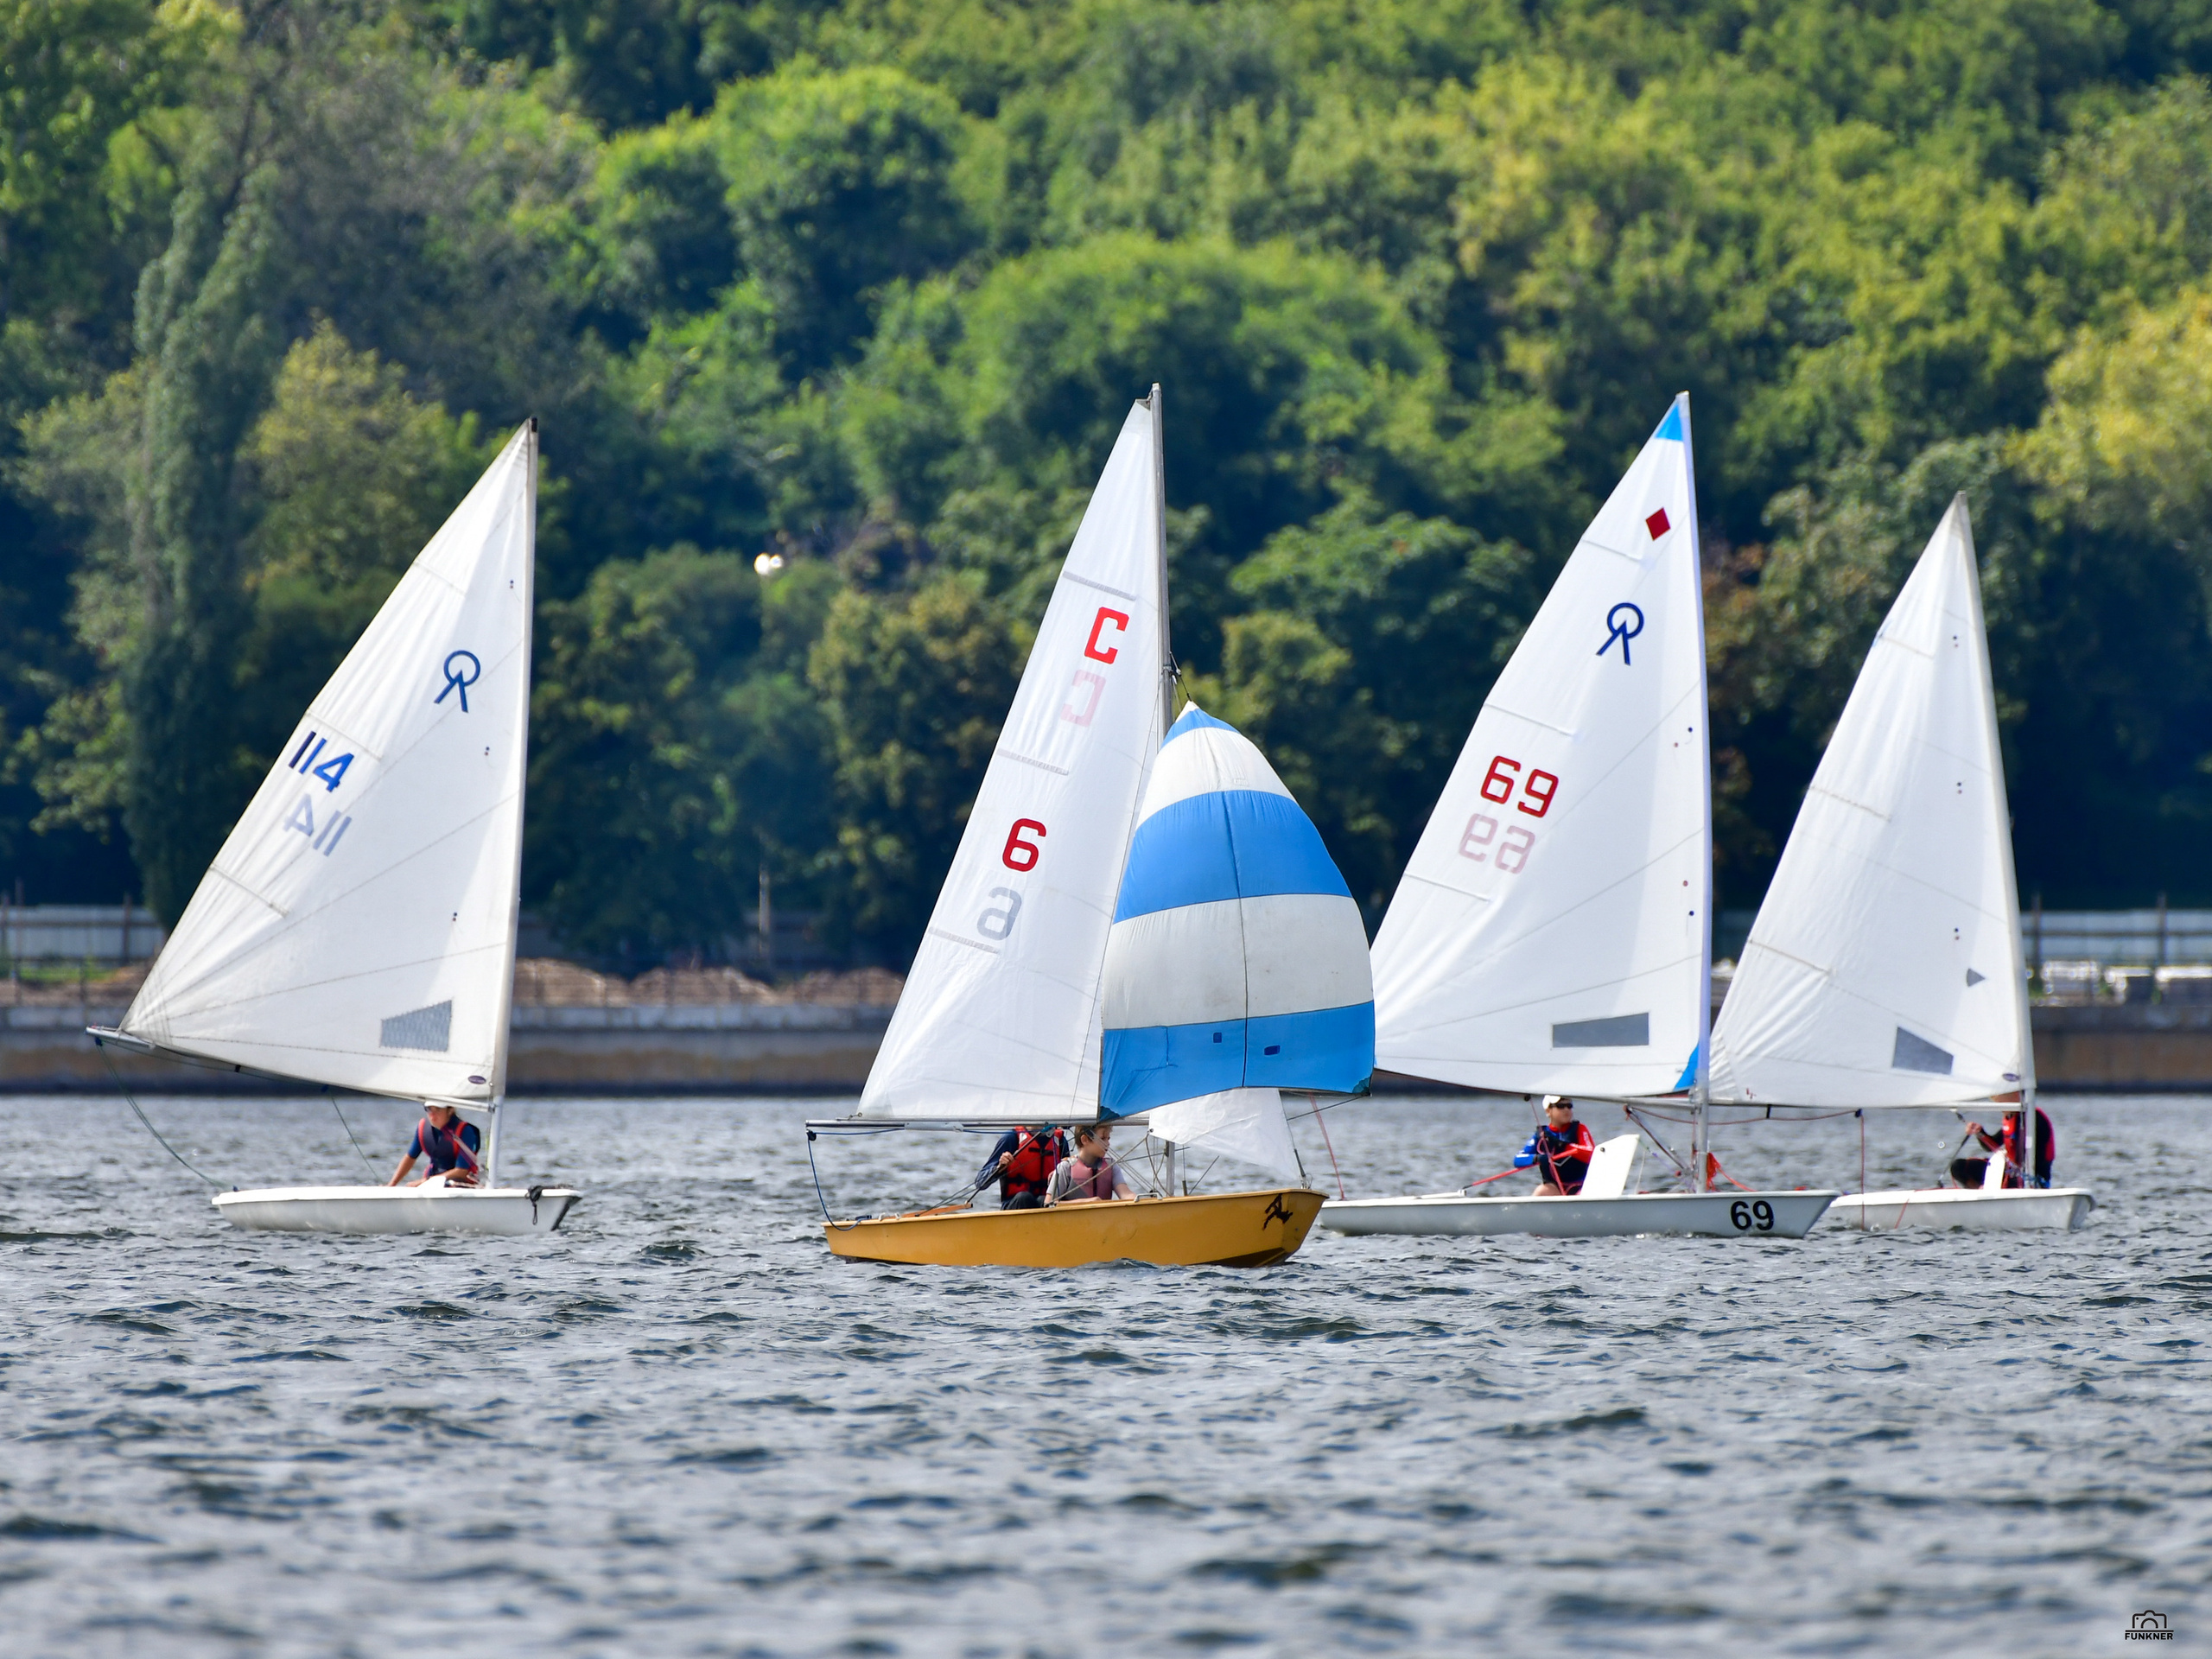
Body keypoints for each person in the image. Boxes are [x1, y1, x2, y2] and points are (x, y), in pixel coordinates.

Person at [1951, 1106, 2056, 1189]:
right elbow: (1993, 1145)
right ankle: (1979, 1193)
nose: (2002, 1112)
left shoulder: (2033, 1118)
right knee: (1958, 1167)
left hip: (2030, 1177)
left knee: (2014, 1180)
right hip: (2007, 1172)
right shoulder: (2012, 1118)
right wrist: (1980, 1132)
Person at [1516, 1096, 1595, 1196]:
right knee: (1542, 1191)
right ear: (1548, 1111)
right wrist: (1537, 1158)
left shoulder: (1580, 1129)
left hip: (1580, 1186)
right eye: (1560, 1106)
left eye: (1569, 1106)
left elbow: (1591, 1154)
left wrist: (1563, 1146)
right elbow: (1517, 1159)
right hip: (1555, 1189)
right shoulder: (1541, 1135)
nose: (1566, 1109)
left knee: (1584, 1194)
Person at [389, 1103, 481, 1187]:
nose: (432, 1115)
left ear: (450, 1110)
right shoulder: (424, 1128)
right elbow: (410, 1157)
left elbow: (461, 1171)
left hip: (459, 1185)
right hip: (431, 1181)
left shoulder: (466, 1132)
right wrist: (392, 1184)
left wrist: (424, 1182)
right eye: (429, 1109)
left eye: (438, 1109)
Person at [977, 1125, 1068, 1210]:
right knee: (1024, 1198)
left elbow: (1069, 1183)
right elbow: (980, 1182)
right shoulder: (1011, 1138)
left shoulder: (1060, 1140)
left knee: (1044, 1201)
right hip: (1015, 1205)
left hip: (1046, 1205)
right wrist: (999, 1168)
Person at [1045, 1123, 1136, 1205]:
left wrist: (1143, 1201)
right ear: (1085, 1140)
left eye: (1108, 1138)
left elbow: (1126, 1194)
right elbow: (1049, 1203)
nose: (1108, 1143)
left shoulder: (1111, 1167)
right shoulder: (1065, 1168)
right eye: (1102, 1138)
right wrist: (1088, 1202)